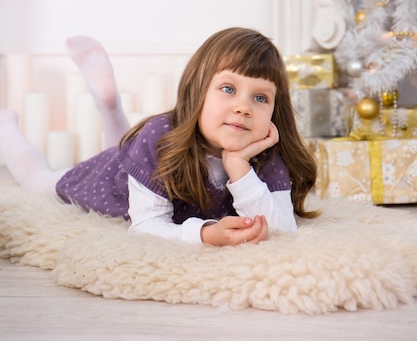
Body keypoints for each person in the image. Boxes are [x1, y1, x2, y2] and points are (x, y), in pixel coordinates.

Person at [0, 27, 318, 245]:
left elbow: (281, 229)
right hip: (116, 176)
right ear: (198, 90)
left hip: (139, 153)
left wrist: (238, 166)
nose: (243, 107)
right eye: (228, 89)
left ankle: (109, 105)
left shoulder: (264, 147)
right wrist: (205, 235)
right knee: (40, 179)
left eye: (260, 98)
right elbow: (146, 227)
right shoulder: (159, 138)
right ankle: (6, 129)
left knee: (124, 145)